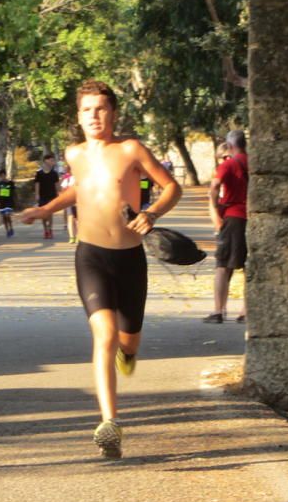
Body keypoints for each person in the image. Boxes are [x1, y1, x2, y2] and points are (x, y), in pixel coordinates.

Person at [19, 79, 181, 459]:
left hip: (130, 258)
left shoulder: (131, 149)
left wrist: (151, 213)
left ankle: (129, 354)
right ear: (78, 116)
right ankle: (109, 425)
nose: (94, 115)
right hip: (91, 255)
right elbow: (83, 190)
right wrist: (47, 209)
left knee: (128, 340)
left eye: (101, 108)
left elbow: (171, 187)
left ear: (113, 113)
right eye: (87, 109)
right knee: (104, 335)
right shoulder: (74, 154)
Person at [204, 130, 248, 324]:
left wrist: (214, 209)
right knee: (249, 267)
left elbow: (214, 187)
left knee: (222, 266)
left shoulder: (228, 165)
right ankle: (245, 312)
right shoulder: (255, 162)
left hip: (233, 218)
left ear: (229, 147)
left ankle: (218, 311)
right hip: (254, 218)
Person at [34, 153, 60, 239]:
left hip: (52, 195)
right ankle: (45, 229)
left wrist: (58, 194)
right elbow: (37, 184)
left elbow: (57, 184)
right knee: (43, 214)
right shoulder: (39, 173)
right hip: (42, 195)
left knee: (50, 213)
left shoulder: (54, 173)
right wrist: (37, 194)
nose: (53, 162)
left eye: (53, 160)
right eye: (51, 160)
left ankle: (50, 229)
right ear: (46, 160)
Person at [59, 165, 77, 244]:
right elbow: (63, 190)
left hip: (79, 202)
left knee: (78, 220)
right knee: (70, 218)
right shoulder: (68, 179)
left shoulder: (80, 179)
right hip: (70, 201)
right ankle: (72, 236)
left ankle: (78, 236)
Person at [0, 168, 16, 237]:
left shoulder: (10, 183)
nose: (2, 177)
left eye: (3, 175)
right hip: (2, 202)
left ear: (5, 175)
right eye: (1, 176)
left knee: (7, 215)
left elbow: (14, 192)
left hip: (9, 201)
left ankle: (11, 227)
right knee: (4, 217)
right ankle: (7, 230)